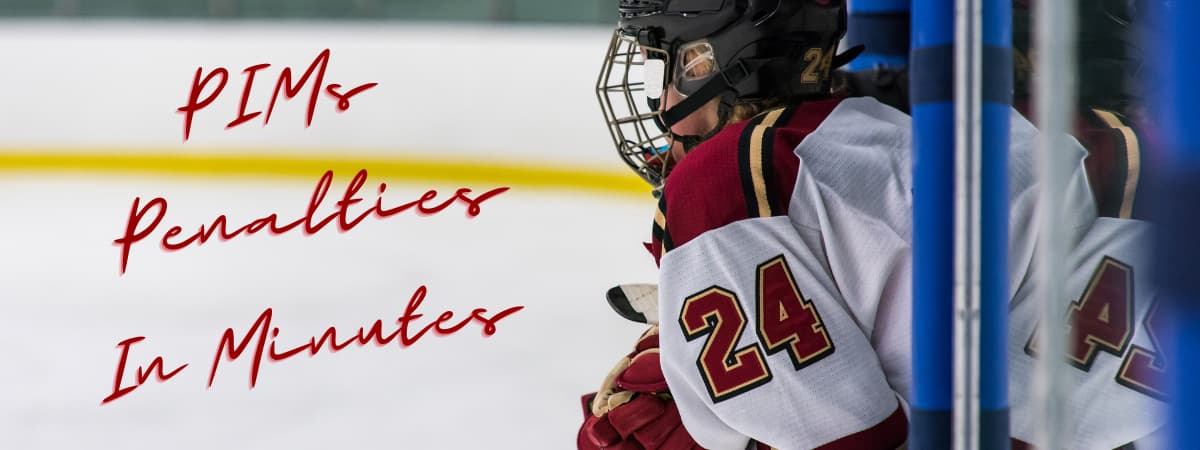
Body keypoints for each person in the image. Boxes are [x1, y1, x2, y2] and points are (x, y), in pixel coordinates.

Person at [579, 0, 1163, 448]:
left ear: (723, 59)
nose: (661, 105)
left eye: (677, 67)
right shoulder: (1107, 168)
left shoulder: (737, 175)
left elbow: (849, 439)